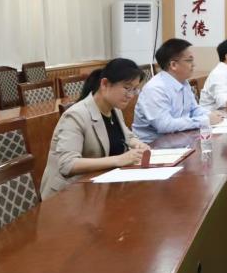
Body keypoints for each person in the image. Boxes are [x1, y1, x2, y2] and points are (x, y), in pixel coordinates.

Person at [40, 58, 150, 199]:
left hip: (98, 189)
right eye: (127, 88)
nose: (130, 95)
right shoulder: (76, 115)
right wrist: (118, 160)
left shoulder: (115, 109)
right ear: (105, 84)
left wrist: (138, 144)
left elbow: (127, 136)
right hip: (67, 195)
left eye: (134, 89)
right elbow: (67, 164)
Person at [133, 38, 224, 144]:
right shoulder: (155, 89)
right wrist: (204, 121)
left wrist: (211, 115)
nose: (193, 64)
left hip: (178, 138)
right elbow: (165, 125)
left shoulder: (183, 82)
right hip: (153, 145)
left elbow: (193, 109)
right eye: (189, 60)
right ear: (173, 65)